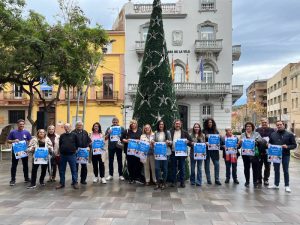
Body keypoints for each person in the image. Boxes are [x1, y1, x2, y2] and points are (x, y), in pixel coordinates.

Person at [268, 120, 297, 193]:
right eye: (277, 125)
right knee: (276, 170)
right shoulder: (273, 134)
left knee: (285, 170)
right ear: (276, 126)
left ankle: (287, 186)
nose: (279, 126)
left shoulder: (289, 134)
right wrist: (268, 145)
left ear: (283, 125)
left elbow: (294, 145)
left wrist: (287, 146)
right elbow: (270, 143)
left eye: (280, 124)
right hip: (276, 155)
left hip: (285, 155)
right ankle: (276, 184)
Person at [7, 119, 32, 186]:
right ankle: (12, 180)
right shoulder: (13, 132)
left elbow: (30, 141)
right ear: (17, 124)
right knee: (14, 166)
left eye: (23, 124)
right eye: (20, 124)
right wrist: (13, 141)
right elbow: (8, 141)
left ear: (24, 125)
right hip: (15, 151)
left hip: (24, 151)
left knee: (25, 165)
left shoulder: (27, 132)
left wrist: (29, 147)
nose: (21, 125)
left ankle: (26, 178)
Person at [240, 122, 264, 188]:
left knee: (255, 168)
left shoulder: (256, 134)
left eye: (250, 126)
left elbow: (261, 140)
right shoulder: (242, 134)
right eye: (247, 126)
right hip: (245, 154)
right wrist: (240, 142)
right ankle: (247, 181)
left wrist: (256, 141)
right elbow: (239, 144)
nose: (248, 127)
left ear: (252, 127)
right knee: (246, 168)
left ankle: (255, 182)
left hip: (254, 154)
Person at [170, 119, 193, 188]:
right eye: (176, 124)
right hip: (173, 152)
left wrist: (188, 141)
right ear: (174, 125)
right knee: (173, 168)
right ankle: (173, 182)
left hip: (182, 153)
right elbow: (167, 140)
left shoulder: (185, 132)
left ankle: (182, 182)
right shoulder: (170, 132)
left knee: (182, 167)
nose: (177, 125)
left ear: (181, 125)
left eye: (179, 124)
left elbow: (190, 142)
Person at [56, 123, 79, 189]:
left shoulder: (74, 135)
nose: (66, 128)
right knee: (62, 170)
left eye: (68, 127)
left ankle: (75, 183)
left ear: (71, 127)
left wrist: (75, 150)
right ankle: (62, 183)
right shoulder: (62, 135)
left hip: (72, 155)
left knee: (74, 170)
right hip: (63, 155)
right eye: (65, 127)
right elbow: (60, 144)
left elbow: (77, 144)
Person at [122, 119, 143, 184]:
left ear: (136, 124)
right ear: (130, 124)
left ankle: (137, 177)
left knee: (138, 164)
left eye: (134, 123)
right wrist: (126, 141)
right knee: (130, 164)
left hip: (137, 151)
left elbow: (143, 138)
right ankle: (131, 177)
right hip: (129, 151)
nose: (133, 124)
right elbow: (121, 138)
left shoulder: (140, 130)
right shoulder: (127, 131)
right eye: (132, 123)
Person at [153, 120, 172, 190]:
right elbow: (153, 140)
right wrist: (152, 141)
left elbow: (171, 141)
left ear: (164, 125)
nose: (161, 125)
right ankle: (158, 182)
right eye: (160, 124)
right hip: (158, 153)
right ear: (158, 125)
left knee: (165, 168)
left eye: (162, 124)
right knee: (157, 168)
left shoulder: (167, 132)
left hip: (166, 153)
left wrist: (168, 142)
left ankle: (163, 183)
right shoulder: (155, 132)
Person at [255, 118, 275, 186]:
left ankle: (266, 179)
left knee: (267, 166)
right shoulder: (257, 130)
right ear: (261, 123)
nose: (264, 123)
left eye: (265, 122)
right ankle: (259, 179)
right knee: (258, 166)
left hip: (268, 151)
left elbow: (273, 139)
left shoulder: (272, 130)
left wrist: (269, 143)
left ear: (268, 122)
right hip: (259, 151)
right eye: (263, 122)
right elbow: (255, 138)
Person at [203, 118, 221, 185]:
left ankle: (217, 179)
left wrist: (220, 137)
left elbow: (220, 141)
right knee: (207, 165)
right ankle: (208, 179)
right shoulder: (203, 131)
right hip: (206, 150)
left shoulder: (216, 131)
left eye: (211, 122)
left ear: (213, 123)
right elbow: (200, 140)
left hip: (215, 151)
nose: (209, 123)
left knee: (217, 164)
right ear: (206, 123)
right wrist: (205, 142)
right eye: (208, 122)